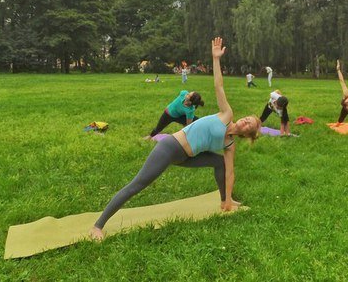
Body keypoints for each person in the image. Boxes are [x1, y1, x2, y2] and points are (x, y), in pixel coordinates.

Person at [90, 37, 261, 240]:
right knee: (138, 184)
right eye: (248, 118)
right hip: (170, 148)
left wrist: (229, 200)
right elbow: (219, 86)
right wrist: (216, 59)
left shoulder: (229, 144)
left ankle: (226, 200)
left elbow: (230, 173)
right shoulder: (226, 115)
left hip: (186, 157)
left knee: (220, 163)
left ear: (247, 133)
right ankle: (98, 226)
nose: (246, 121)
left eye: (250, 124)